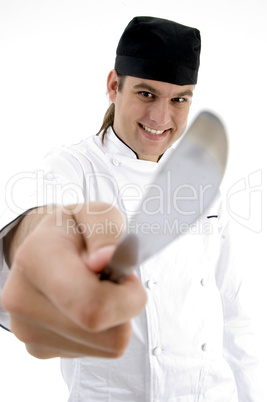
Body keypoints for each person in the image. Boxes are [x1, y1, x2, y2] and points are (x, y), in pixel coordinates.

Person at [0, 16, 263, 401]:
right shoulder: (71, 167)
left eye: (179, 100)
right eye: (146, 94)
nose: (161, 118)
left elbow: (236, 310)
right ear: (113, 86)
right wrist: (33, 250)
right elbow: (38, 222)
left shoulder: (201, 182)